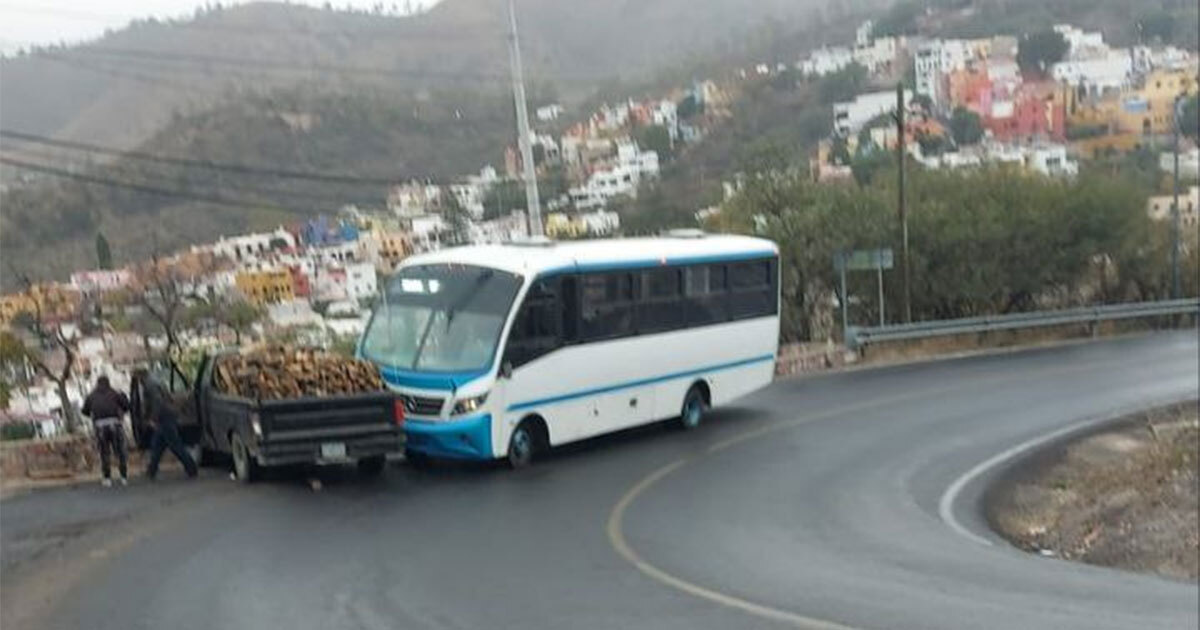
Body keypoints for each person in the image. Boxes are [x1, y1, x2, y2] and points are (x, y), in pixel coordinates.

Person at [132, 368, 198, 481]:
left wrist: (152, 418)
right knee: (157, 444)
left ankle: (191, 467)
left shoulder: (150, 385)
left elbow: (157, 402)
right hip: (167, 414)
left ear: (140, 375)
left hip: (164, 416)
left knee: (174, 444)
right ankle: (151, 470)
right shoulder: (156, 381)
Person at [81, 376, 131, 487]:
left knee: (104, 453)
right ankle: (123, 477)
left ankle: (107, 478)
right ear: (108, 383)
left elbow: (84, 411)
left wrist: (94, 415)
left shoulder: (91, 396)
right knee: (120, 452)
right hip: (115, 424)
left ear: (97, 384)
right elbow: (127, 406)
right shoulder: (115, 393)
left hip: (100, 426)